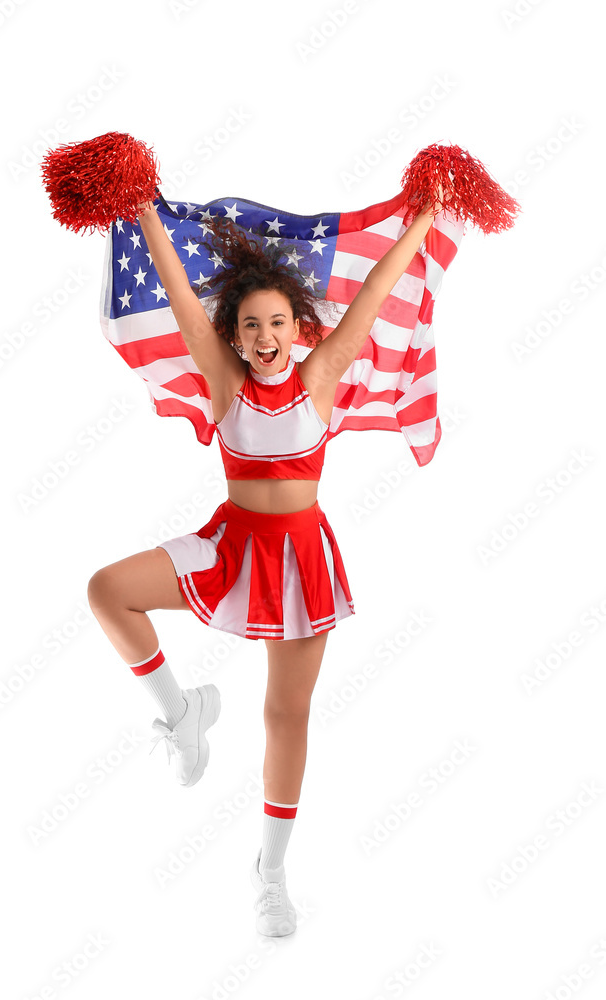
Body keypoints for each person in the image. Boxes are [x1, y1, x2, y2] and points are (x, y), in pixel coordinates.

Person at [87, 188, 442, 936]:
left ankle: (270, 876)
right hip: (232, 546)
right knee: (108, 591)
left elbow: (375, 292)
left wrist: (424, 218)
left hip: (303, 560)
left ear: (297, 328)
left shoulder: (320, 378)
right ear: (236, 337)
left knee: (287, 714)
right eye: (251, 325)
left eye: (277, 321)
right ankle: (182, 716)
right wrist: (141, 205)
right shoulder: (225, 383)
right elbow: (179, 291)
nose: (266, 334)